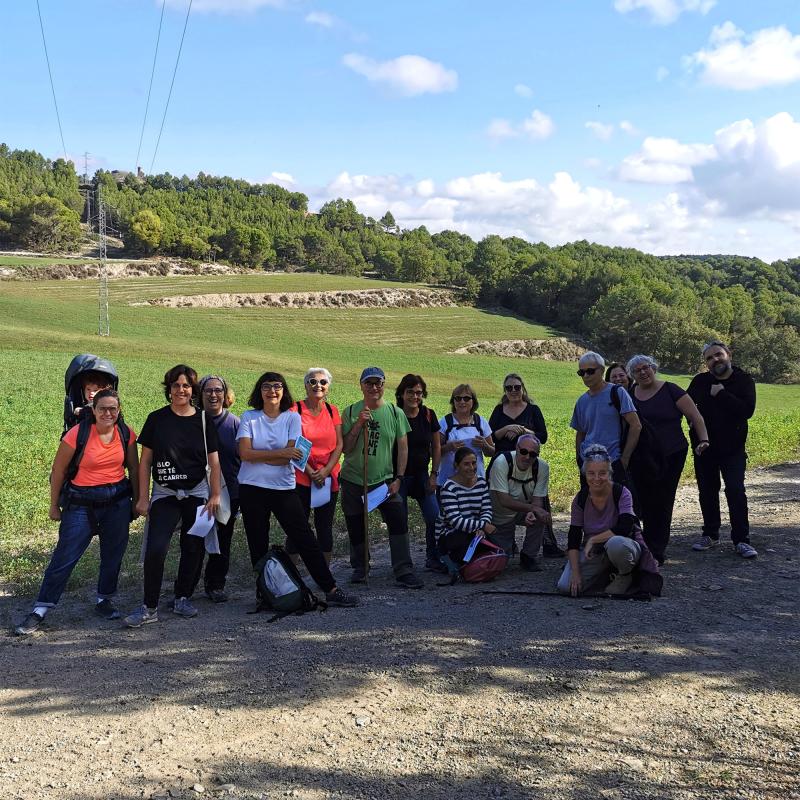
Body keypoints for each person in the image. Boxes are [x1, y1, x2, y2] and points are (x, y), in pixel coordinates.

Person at [15, 390, 139, 635]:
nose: (108, 413)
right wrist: (53, 506)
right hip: (81, 505)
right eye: (102, 408)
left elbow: (134, 469)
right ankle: (41, 608)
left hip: (117, 504)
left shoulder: (126, 434)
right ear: (93, 410)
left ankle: (104, 599)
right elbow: (58, 471)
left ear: (119, 410)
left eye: (113, 408)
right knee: (65, 555)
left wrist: (139, 500)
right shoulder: (77, 434)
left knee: (113, 554)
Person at [236, 371, 357, 608]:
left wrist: (261, 457)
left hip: (283, 488)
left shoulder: (291, 418)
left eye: (277, 386)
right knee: (257, 543)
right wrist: (280, 452)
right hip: (252, 489)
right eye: (267, 386)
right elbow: (245, 454)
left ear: (284, 391)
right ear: (259, 391)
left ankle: (330, 588)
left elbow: (290, 457)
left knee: (305, 537)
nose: (272, 391)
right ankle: (265, 594)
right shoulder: (249, 417)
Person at [124, 365, 222, 628]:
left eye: (186, 385)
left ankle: (182, 598)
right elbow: (145, 463)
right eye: (176, 385)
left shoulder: (203, 420)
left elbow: (214, 461)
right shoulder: (156, 418)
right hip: (165, 494)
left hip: (197, 493)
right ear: (169, 389)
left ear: (193, 390)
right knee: (156, 549)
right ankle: (149, 607)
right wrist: (142, 498)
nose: (181, 389)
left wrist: (214, 495)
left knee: (193, 548)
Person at [340, 367, 423, 588]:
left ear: (384, 385)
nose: (374, 387)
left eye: (378, 383)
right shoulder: (349, 412)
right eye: (369, 383)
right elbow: (346, 449)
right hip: (353, 479)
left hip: (383, 481)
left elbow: (403, 449)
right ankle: (360, 567)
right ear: (361, 386)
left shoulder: (396, 413)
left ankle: (403, 569)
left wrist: (399, 478)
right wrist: (359, 424)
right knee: (356, 524)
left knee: (398, 520)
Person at [628, 354, 710, 565]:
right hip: (642, 455)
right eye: (637, 371)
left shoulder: (671, 389)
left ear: (653, 368)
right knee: (644, 500)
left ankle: (656, 550)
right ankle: (644, 542)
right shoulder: (630, 394)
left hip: (671, 453)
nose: (643, 373)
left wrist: (703, 439)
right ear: (633, 376)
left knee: (663, 499)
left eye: (645, 368)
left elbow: (695, 416)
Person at [557, 445, 660, 597]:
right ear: (585, 474)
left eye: (602, 473)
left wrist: (593, 540)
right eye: (591, 473)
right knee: (566, 587)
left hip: (623, 545)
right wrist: (576, 572)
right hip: (595, 552)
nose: (597, 479)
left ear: (610, 473)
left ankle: (625, 574)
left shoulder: (622, 493)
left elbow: (624, 527)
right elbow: (573, 539)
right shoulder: (580, 499)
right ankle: (605, 573)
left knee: (615, 543)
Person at [687, 341, 757, 558]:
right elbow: (685, 405)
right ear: (706, 364)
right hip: (704, 448)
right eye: (709, 358)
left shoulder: (744, 380)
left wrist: (721, 394)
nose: (715, 360)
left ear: (729, 355)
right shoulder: (700, 381)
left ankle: (741, 540)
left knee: (735, 490)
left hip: (733, 449)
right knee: (707, 492)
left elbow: (747, 411)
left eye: (718, 355)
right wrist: (692, 426)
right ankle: (710, 534)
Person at [190, 374, 240, 602]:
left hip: (228, 491)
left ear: (225, 393)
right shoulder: (192, 421)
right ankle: (187, 587)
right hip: (197, 490)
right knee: (194, 540)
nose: (213, 394)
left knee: (223, 538)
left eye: (218, 390)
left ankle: (215, 584)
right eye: (208, 390)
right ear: (200, 395)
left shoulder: (235, 423)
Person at [287, 368, 342, 566]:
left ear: (328, 387)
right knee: (298, 526)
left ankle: (323, 573)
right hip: (301, 477)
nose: (318, 385)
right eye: (312, 381)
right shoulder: (295, 410)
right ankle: (291, 575)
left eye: (323, 382)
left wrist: (326, 470)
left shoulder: (332, 411)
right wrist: (311, 472)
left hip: (327, 478)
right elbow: (291, 444)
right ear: (305, 385)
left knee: (324, 527)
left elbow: (340, 444)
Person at [395, 373, 444, 573]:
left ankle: (432, 557)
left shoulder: (428, 415)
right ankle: (403, 563)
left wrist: (435, 474)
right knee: (400, 519)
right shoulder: (394, 414)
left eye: (419, 393)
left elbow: (437, 447)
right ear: (401, 394)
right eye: (410, 392)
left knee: (434, 516)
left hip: (423, 475)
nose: (415, 396)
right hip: (399, 477)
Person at [571, 351, 641, 488]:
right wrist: (579, 459)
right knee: (590, 506)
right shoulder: (581, 401)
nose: (585, 376)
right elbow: (581, 433)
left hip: (612, 463)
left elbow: (636, 425)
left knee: (617, 506)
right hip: (588, 465)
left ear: (602, 370)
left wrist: (624, 460)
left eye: (590, 371)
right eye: (581, 372)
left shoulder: (617, 392)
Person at [488, 434, 551, 571]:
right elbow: (503, 500)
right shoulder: (501, 462)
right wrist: (532, 508)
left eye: (533, 454)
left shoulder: (542, 467)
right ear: (516, 448)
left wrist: (533, 512)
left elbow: (538, 499)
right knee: (500, 564)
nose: (527, 457)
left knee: (541, 516)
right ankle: (506, 546)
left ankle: (528, 556)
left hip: (522, 509)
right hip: (501, 515)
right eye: (523, 452)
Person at [436, 447, 495, 568]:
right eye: (466, 464)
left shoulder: (482, 483)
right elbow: (455, 521)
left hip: (475, 531)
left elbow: (487, 509)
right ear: (457, 466)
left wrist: (482, 527)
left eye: (474, 463)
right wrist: (482, 526)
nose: (472, 468)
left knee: (495, 538)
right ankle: (447, 559)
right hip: (451, 534)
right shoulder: (449, 488)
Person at [438, 384, 495, 486]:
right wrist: (448, 447)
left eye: (466, 398)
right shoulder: (445, 422)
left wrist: (484, 445)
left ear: (473, 402)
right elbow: (433, 451)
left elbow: (491, 452)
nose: (462, 402)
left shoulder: (481, 422)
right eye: (458, 398)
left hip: (475, 482)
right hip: (448, 482)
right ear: (453, 401)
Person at [488, 373, 548, 454]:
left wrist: (522, 430)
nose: (513, 390)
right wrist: (507, 428)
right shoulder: (498, 410)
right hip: (502, 459)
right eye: (509, 388)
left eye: (517, 387)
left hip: (527, 459)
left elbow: (543, 437)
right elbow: (490, 437)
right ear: (505, 391)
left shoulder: (533, 410)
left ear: (522, 388)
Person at [62, 354, 119, 433]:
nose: (91, 393)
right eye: (88, 389)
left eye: (95, 390)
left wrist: (82, 411)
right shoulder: (82, 403)